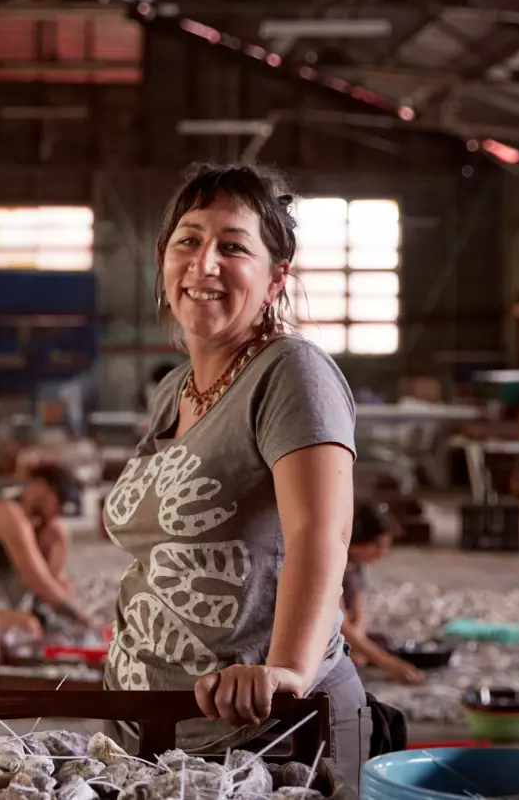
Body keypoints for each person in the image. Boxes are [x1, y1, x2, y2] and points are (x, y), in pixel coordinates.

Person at [100, 163, 369, 789]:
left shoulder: (291, 372)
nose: (205, 263)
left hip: (268, 737)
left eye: (233, 246)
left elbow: (321, 534)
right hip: (153, 729)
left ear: (276, 278)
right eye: (187, 240)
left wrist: (288, 673)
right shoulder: (174, 390)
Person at [0, 463, 98, 628]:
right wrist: (82, 619)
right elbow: (36, 579)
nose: (59, 511)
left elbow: (56, 581)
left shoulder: (45, 527)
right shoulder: (8, 514)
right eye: (60, 501)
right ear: (40, 486)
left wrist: (74, 611)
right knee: (26, 626)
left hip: (2, 606)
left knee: (56, 533)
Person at [341, 501, 424, 685]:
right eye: (377, 545)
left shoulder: (355, 567)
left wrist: (358, 643)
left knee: (386, 643)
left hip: (345, 636)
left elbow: (358, 614)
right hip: (328, 633)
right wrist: (389, 664)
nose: (382, 553)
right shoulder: (334, 565)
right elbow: (339, 624)